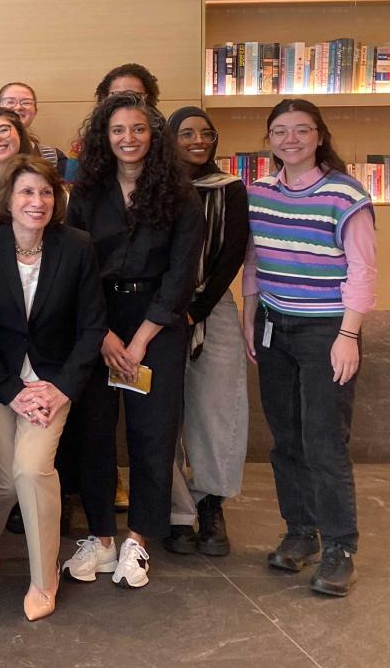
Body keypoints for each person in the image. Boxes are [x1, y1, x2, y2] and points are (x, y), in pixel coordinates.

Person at [61, 92, 203, 591]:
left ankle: (138, 539)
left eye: (138, 129)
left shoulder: (181, 195)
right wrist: (103, 335)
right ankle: (100, 536)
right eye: (118, 129)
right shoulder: (85, 193)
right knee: (94, 432)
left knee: (152, 434)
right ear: (105, 135)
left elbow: (181, 276)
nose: (128, 138)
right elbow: (74, 269)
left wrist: (140, 340)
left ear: (154, 135)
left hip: (156, 326)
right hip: (97, 324)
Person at [0, 155, 106, 622]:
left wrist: (60, 387)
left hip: (52, 382)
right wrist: (12, 391)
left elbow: (91, 327)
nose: (37, 201)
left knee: (30, 470)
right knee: (2, 478)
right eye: (27, 192)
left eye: (46, 192)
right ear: (8, 198)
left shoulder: (77, 246)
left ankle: (45, 579)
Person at [242, 99, 376, 597]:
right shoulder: (258, 192)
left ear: (319, 136)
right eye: (280, 131)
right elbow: (254, 261)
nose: (290, 139)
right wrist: (249, 314)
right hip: (275, 326)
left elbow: (363, 270)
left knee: (324, 440)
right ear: (269, 139)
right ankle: (301, 530)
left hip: (327, 330)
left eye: (302, 130)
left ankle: (341, 547)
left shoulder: (346, 194)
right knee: (286, 437)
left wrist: (348, 335)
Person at [163, 107, 248, 558]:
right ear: (171, 139)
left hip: (211, 308)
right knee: (164, 415)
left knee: (217, 409)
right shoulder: (158, 189)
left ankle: (211, 502)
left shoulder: (229, 188)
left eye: (206, 133)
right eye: (187, 133)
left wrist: (197, 308)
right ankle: (177, 513)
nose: (198, 141)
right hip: (161, 312)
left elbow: (232, 253)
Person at [0, 82, 68, 177]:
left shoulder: (53, 157)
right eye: (10, 102)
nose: (18, 107)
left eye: (26, 102)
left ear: (35, 111)